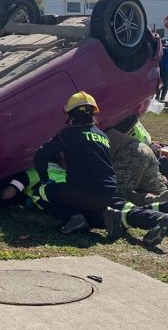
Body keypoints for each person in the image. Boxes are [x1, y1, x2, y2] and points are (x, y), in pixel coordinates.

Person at [0, 165, 168, 246]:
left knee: (121, 215)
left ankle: (157, 220)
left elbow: (8, 193)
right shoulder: (55, 166)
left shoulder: (28, 173)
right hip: (89, 191)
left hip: (76, 203)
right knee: (129, 208)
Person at [32, 91, 116, 234]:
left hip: (84, 191)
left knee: (39, 193)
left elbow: (41, 155)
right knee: (80, 198)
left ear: (71, 114)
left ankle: (74, 217)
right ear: (93, 113)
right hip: (108, 194)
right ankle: (102, 218)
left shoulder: (69, 133)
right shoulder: (103, 135)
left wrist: (45, 180)